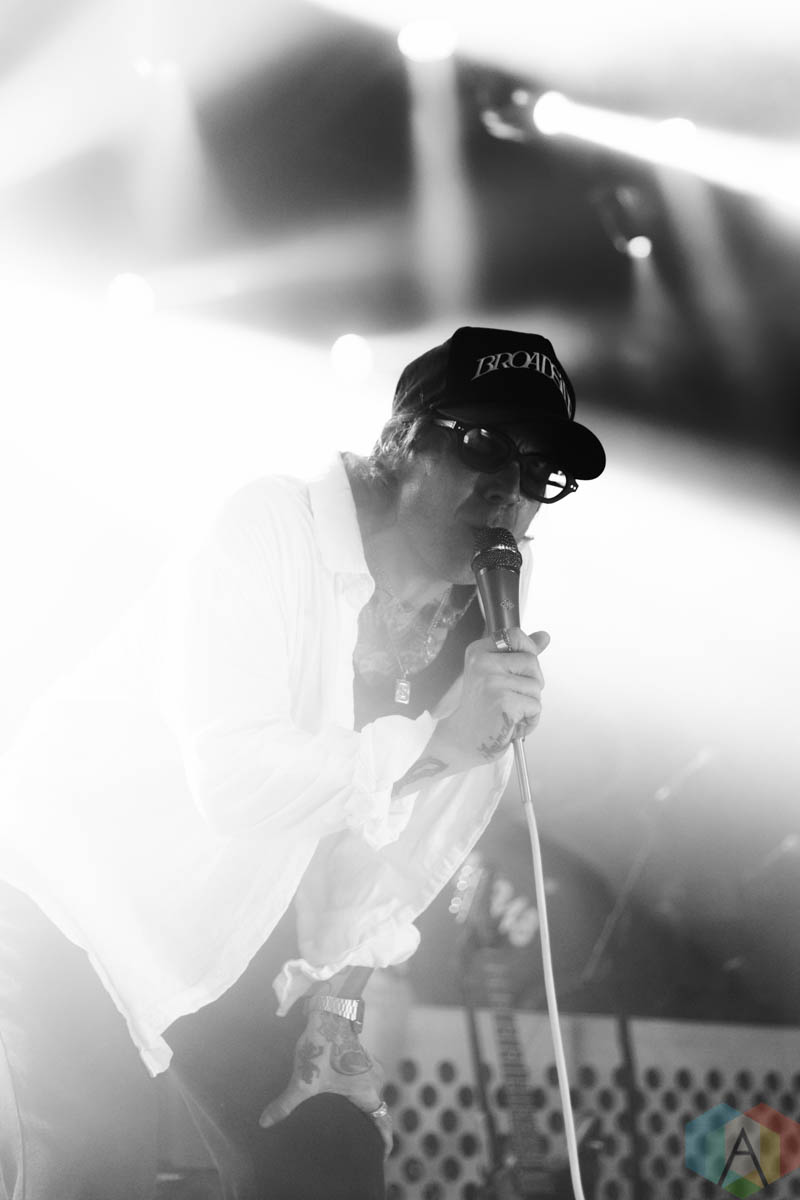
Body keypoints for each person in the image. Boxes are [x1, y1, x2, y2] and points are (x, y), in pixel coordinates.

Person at [0, 325, 605, 1200]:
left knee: (327, 1158)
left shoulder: (488, 604)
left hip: (233, 909)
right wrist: (439, 742)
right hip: (82, 879)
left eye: (541, 470)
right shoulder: (268, 527)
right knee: (93, 1167)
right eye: (484, 446)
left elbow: (389, 854)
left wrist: (339, 1007)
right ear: (403, 443)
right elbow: (235, 782)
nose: (509, 489)